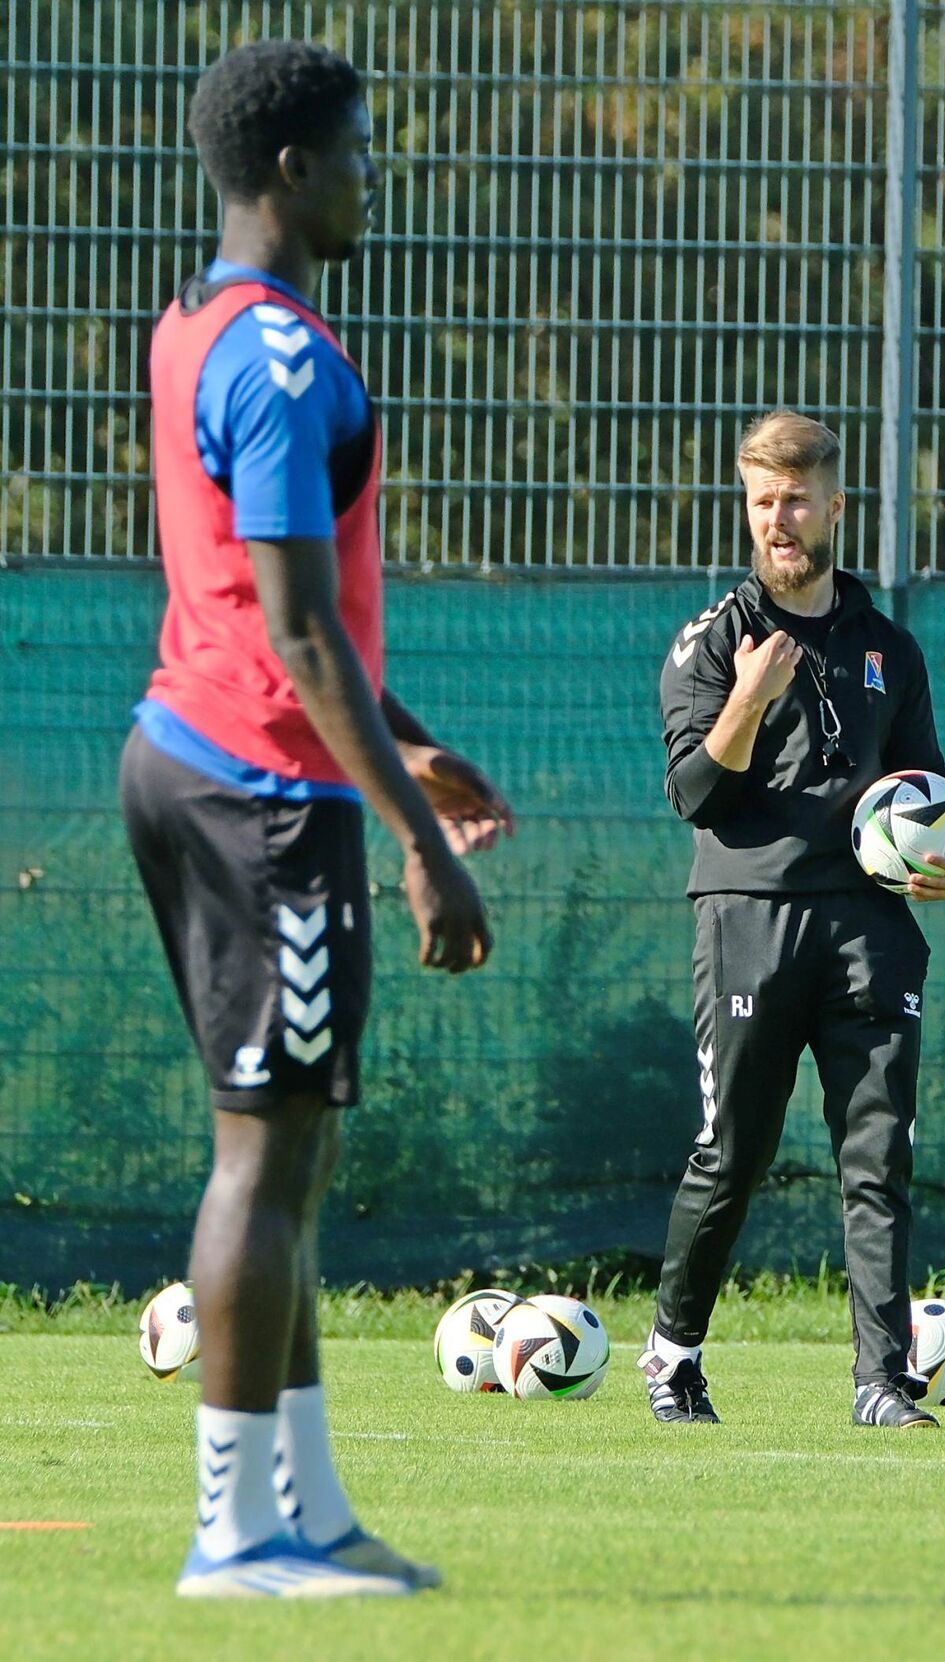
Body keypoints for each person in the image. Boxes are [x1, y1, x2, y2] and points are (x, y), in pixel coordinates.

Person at [120, 41, 513, 1597]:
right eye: (356, 147)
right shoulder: (278, 360)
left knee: (296, 1147)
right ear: (287, 167)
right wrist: (416, 847)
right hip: (258, 792)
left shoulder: (199, 320)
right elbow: (291, 632)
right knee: (261, 1155)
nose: (373, 172)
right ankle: (234, 1534)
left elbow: (266, 607)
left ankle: (310, 1508)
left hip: (205, 752)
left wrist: (409, 748)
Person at [638, 410, 945, 1431]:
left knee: (878, 1155)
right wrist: (745, 701)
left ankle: (882, 1384)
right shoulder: (710, 644)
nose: (778, 520)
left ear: (836, 505)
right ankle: (672, 1356)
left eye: (796, 499)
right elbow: (695, 795)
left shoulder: (890, 648)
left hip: (872, 927)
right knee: (733, 1152)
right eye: (762, 501)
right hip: (748, 916)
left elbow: (929, 790)